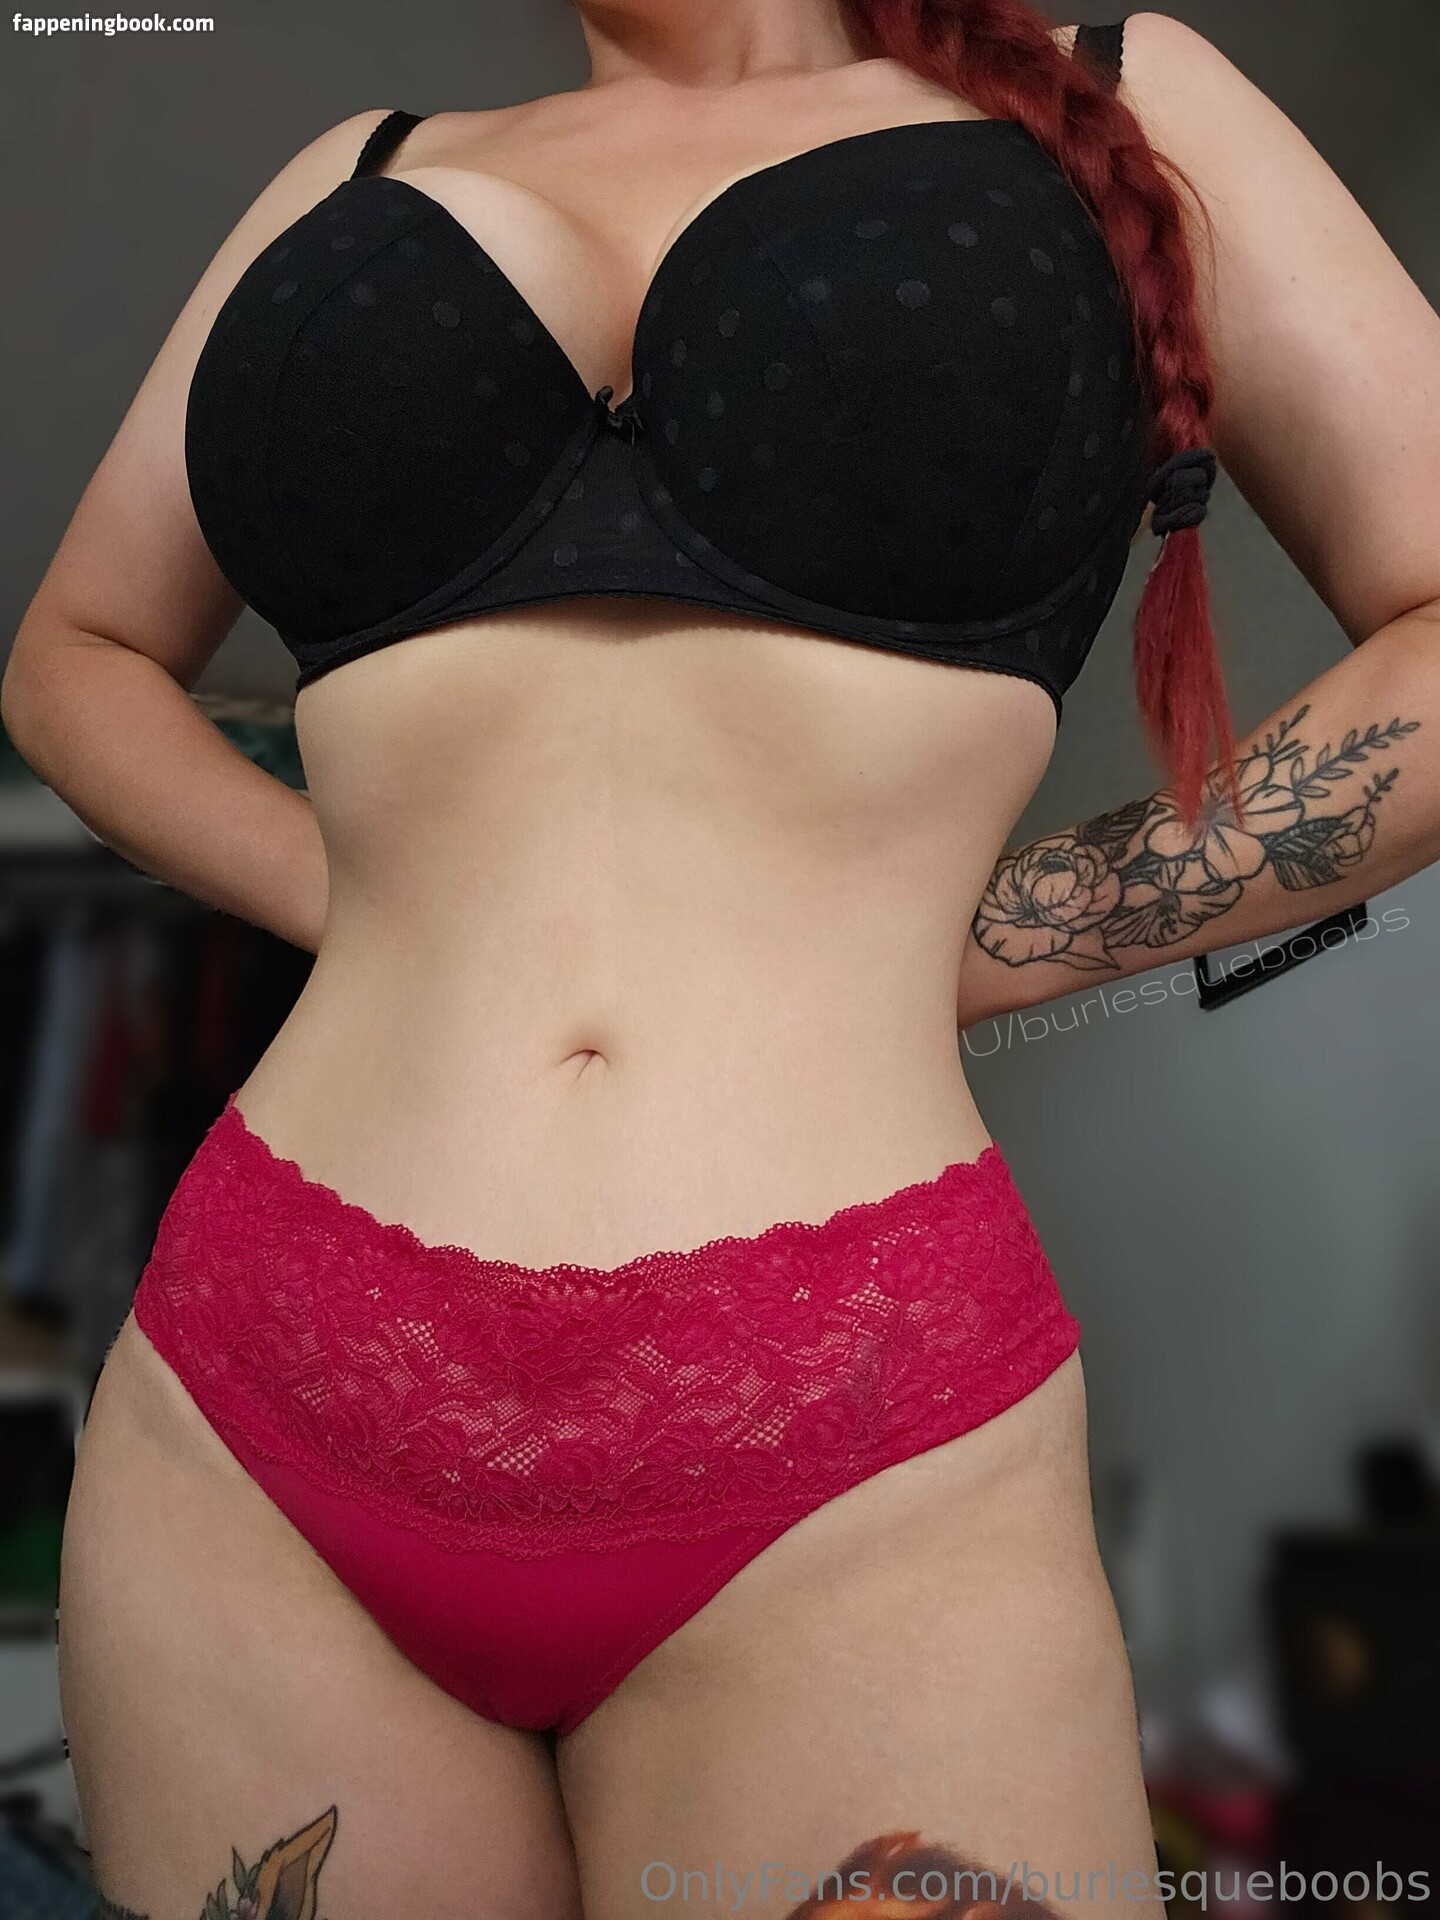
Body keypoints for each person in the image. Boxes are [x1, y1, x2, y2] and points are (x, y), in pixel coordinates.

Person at [5, 1, 1438, 1915]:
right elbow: (76, 656)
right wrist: (391, 911)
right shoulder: (357, 174)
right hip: (264, 1390)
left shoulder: (1120, 95)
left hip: (848, 1423)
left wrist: (1015, 937)